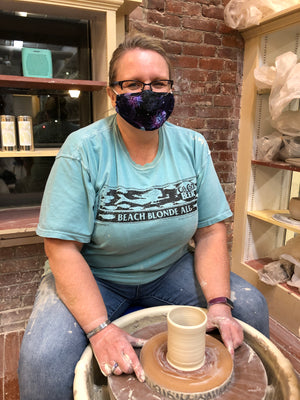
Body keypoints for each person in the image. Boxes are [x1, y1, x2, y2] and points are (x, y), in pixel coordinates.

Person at [18, 33, 269, 400]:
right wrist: (99, 328)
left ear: (171, 88)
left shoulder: (192, 146)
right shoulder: (83, 150)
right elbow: (60, 248)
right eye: (133, 84)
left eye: (158, 83)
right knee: (45, 358)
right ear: (111, 93)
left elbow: (211, 230)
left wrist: (219, 304)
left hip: (168, 269)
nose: (147, 93)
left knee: (249, 305)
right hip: (98, 275)